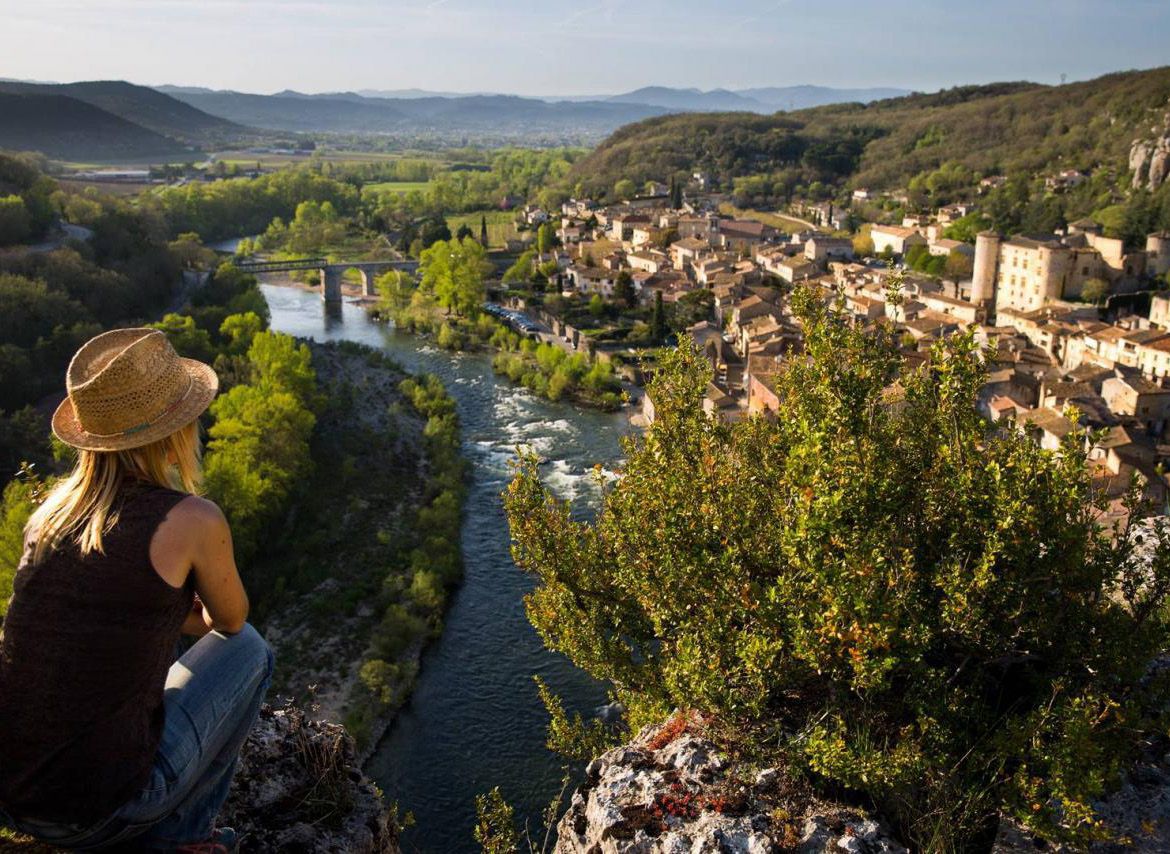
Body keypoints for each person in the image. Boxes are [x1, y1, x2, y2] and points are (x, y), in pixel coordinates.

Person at [0, 328, 274, 852]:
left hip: (16, 795)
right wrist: (191, 608)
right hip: (100, 812)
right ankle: (183, 835)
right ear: (174, 431)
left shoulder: (48, 517)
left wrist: (171, 606)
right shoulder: (192, 519)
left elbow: (116, 617)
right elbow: (231, 623)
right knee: (252, 651)